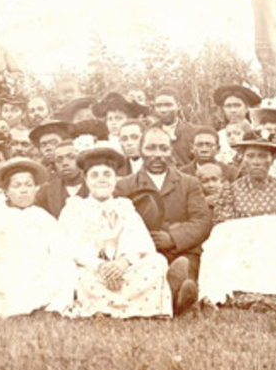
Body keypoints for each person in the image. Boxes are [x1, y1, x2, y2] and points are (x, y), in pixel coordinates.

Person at [199, 130, 276, 311]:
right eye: (250, 156)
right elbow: (224, 229)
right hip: (244, 251)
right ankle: (253, 299)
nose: (256, 161)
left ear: (271, 160)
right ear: (242, 159)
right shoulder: (230, 192)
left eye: (262, 156)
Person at [59, 146, 172, 319]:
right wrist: (100, 266)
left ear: (116, 179)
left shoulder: (124, 207)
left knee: (157, 261)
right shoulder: (75, 208)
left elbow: (140, 242)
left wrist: (123, 263)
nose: (101, 180)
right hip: (92, 270)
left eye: (107, 174)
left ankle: (135, 307)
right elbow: (69, 246)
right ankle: (97, 308)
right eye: (95, 175)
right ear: (86, 180)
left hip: (122, 270)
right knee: (73, 272)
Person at [115, 127, 213, 315]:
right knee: (144, 272)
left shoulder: (189, 183)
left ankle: (180, 290)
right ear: (141, 150)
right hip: (143, 252)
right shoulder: (124, 185)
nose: (158, 155)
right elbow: (118, 223)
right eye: (151, 148)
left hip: (181, 251)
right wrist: (144, 240)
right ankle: (176, 298)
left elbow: (202, 221)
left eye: (163, 148)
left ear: (171, 150)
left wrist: (173, 237)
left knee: (186, 266)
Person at [0, 158, 74, 317]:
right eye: (17, 186)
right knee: (11, 272)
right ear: (7, 191)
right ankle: (22, 302)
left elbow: (58, 247)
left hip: (41, 266)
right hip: (10, 266)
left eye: (28, 185)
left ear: (35, 189)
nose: (23, 190)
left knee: (65, 266)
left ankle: (51, 303)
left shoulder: (43, 217)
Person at [35, 139, 89, 219]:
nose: (65, 163)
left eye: (71, 157)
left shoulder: (95, 187)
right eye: (59, 160)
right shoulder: (47, 191)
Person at [151, 87, 197, 167]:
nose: (163, 110)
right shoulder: (148, 133)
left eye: (168, 105)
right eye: (159, 106)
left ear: (178, 106)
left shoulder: (193, 132)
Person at [212, 84, 261, 156]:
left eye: (237, 105)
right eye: (228, 106)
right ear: (223, 109)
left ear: (247, 108)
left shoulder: (258, 133)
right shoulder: (219, 136)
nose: (232, 110)